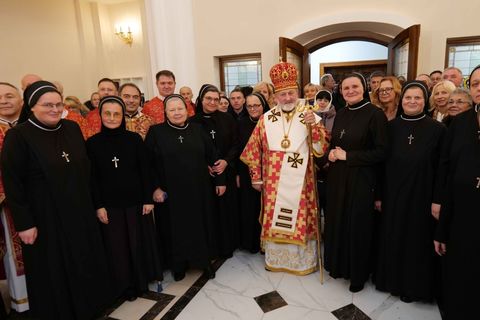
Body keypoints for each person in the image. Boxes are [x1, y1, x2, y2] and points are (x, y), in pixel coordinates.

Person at [1, 80, 111, 319]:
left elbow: (87, 170)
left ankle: (88, 308)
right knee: (55, 270)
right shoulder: (18, 137)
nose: (54, 109)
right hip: (45, 219)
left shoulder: (71, 128)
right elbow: (13, 183)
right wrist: (24, 223)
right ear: (32, 106)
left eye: (58, 104)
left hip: (80, 212)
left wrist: (96, 204)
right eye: (47, 104)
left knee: (84, 261)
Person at [240, 62, 329, 275]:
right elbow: (252, 150)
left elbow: (321, 148)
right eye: (282, 95)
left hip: (302, 183)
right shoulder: (265, 119)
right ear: (275, 97)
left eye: (290, 93)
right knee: (277, 218)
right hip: (273, 183)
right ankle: (277, 260)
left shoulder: (310, 115)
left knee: (300, 217)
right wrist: (256, 178)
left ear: (297, 92)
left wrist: (314, 127)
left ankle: (301, 262)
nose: (287, 98)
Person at [375, 81, 446, 303]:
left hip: (421, 195)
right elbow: (381, 163)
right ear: (401, 100)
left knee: (415, 241)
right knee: (392, 236)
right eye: (408, 98)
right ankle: (390, 281)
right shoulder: (391, 127)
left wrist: (437, 200)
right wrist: (378, 195)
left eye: (417, 98)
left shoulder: (437, 129)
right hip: (393, 194)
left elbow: (443, 167)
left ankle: (412, 287)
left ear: (425, 101)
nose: (412, 101)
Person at [87, 95, 161, 301]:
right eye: (107, 114)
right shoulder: (92, 144)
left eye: (116, 114)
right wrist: (98, 205)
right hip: (110, 206)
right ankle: (123, 286)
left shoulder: (134, 139)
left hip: (136, 203)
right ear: (100, 115)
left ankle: (140, 282)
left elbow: (144, 171)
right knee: (117, 248)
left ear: (122, 116)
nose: (111, 118)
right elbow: (92, 179)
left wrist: (148, 199)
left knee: (137, 244)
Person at [145, 94, 224, 280]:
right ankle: (178, 264)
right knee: (175, 230)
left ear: (187, 110)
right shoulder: (156, 132)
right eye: (172, 110)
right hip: (170, 193)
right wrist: (155, 188)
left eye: (180, 108)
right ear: (165, 112)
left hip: (199, 191)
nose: (176, 113)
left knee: (200, 227)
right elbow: (148, 165)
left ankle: (203, 262)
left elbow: (213, 156)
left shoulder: (198, 129)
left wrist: (220, 181)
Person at [324, 73, 388, 292]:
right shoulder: (340, 113)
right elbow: (336, 142)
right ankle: (339, 266)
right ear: (340, 92)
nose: (350, 91)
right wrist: (331, 154)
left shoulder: (375, 114)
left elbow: (381, 152)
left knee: (357, 226)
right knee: (339, 221)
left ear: (365, 88)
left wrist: (348, 157)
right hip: (338, 178)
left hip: (361, 179)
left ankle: (358, 275)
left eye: (355, 86)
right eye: (345, 88)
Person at [434, 65, 480, 320]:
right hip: (461, 208)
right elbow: (446, 167)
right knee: (460, 266)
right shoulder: (460, 122)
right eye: (475, 84)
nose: (479, 88)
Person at [192, 84, 240, 258]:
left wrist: (226, 161)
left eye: (216, 99)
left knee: (226, 210)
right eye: (208, 99)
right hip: (204, 175)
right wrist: (204, 163)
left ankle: (227, 245)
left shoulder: (227, 119)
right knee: (209, 211)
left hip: (225, 171)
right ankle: (210, 246)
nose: (212, 102)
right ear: (201, 100)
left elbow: (236, 144)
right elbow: (192, 149)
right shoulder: (192, 122)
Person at [0, 83, 28, 314]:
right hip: (5, 206)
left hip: (39, 201)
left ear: (20, 99)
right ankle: (21, 301)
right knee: (12, 252)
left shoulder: (31, 126)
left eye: (9, 96)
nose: (4, 100)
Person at [237, 93, 269, 253]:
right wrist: (237, 174)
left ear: (263, 105)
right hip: (246, 172)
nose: (253, 109)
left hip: (270, 172)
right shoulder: (241, 123)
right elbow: (237, 149)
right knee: (250, 208)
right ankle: (251, 243)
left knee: (267, 209)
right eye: (249, 106)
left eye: (256, 105)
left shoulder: (271, 122)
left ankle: (267, 243)